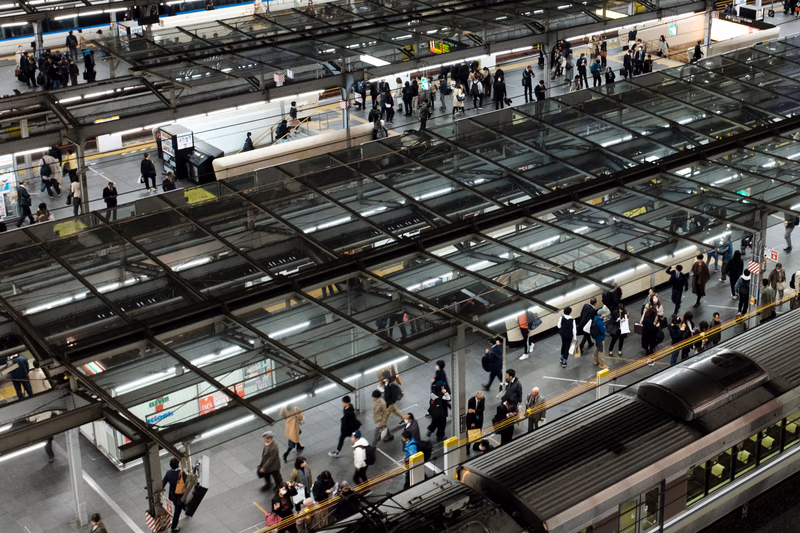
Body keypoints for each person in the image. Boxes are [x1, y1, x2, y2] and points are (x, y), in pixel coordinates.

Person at [162, 457, 187, 533]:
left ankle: (187, 510)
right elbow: (187, 483)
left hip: (173, 495)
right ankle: (173, 528)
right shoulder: (182, 473)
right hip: (181, 495)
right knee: (177, 511)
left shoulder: (168, 473)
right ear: (178, 464)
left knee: (180, 505)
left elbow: (163, 483)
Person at [466, 391, 484, 455]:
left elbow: (482, 410)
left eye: (480, 399)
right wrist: (472, 422)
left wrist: (474, 411)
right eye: (478, 399)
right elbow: (470, 413)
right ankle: (467, 449)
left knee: (478, 434)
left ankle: (476, 446)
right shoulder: (471, 401)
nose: (479, 400)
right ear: (476, 396)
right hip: (471, 420)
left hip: (479, 419)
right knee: (469, 435)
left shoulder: (482, 399)